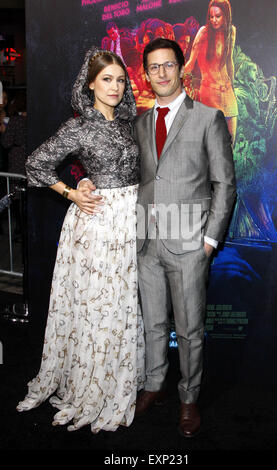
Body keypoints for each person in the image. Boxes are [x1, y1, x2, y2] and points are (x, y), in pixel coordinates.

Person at [80, 38, 236, 438]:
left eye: (168, 65)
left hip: (190, 244)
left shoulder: (208, 117)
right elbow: (118, 170)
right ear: (146, 75)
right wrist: (83, 179)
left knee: (189, 329)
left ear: (181, 68)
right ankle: (153, 386)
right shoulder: (139, 124)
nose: (161, 73)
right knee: (152, 324)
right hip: (146, 241)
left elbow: (225, 184)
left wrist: (210, 242)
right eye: (153, 67)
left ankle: (188, 399)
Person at [16, 47, 145, 433]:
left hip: (130, 219)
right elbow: (35, 163)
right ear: (89, 85)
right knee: (97, 302)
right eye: (107, 79)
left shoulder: (128, 122)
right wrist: (72, 191)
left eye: (120, 80)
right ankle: (92, 384)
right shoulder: (79, 126)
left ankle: (120, 376)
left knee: (123, 300)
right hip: (98, 222)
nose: (115, 86)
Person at [185, 0, 238, 144]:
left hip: (227, 93)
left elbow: (229, 61)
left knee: (231, 142)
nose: (214, 20)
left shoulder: (231, 31)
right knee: (215, 144)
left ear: (226, 15)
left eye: (218, 16)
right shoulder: (203, 32)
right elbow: (191, 62)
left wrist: (233, 87)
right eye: (211, 16)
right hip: (209, 92)